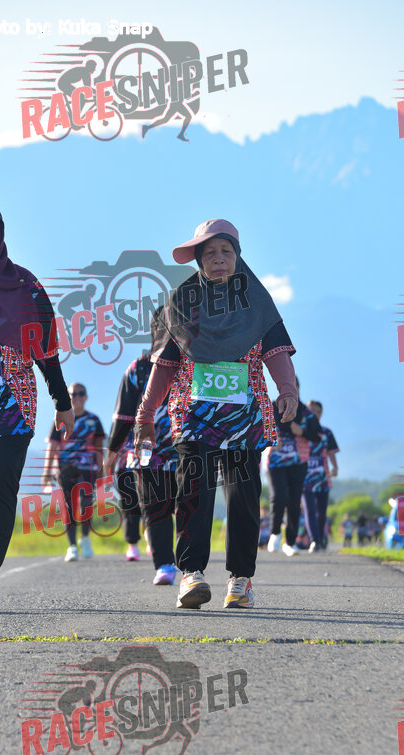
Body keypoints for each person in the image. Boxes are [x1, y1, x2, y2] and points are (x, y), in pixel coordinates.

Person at [134, 219, 299, 609]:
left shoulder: (257, 301)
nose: (219, 259)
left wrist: (288, 390)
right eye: (210, 253)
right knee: (194, 491)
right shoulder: (180, 304)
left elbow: (276, 352)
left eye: (226, 251)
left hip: (246, 416)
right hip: (195, 415)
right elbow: (164, 365)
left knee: (243, 496)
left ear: (237, 256)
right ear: (198, 260)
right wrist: (144, 416)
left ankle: (241, 580)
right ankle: (191, 574)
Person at [0, 199, 74, 613]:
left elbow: (47, 348)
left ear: (1, 234)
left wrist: (62, 401)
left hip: (10, 405)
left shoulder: (26, 286)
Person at [106, 308, 179, 585]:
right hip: (147, 452)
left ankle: (190, 567)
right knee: (156, 508)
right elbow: (124, 416)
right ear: (154, 331)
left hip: (188, 449)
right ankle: (165, 565)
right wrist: (112, 452)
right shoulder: (139, 368)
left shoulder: (195, 364)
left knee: (186, 507)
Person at [42, 382, 105, 562]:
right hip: (65, 468)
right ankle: (72, 547)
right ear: (68, 397)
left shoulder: (93, 420)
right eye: (73, 394)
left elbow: (99, 447)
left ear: (86, 397)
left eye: (81, 393)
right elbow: (52, 447)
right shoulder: (61, 419)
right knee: (69, 506)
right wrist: (46, 472)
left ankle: (85, 538)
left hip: (88, 468)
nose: (77, 397)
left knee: (86, 504)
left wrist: (102, 469)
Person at [265, 378, 322, 556]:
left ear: (297, 389)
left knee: (294, 502)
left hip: (299, 462)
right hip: (275, 462)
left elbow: (319, 437)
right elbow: (259, 427)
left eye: (293, 386)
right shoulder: (271, 407)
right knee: (279, 496)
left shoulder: (305, 412)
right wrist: (272, 437)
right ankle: (275, 533)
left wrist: (303, 432)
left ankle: (290, 542)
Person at [301, 400, 339, 552]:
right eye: (311, 410)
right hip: (305, 477)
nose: (314, 414)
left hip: (322, 477)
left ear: (321, 414)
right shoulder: (301, 431)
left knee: (321, 512)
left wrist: (335, 466)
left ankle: (322, 539)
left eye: (317, 411)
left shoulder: (326, 432)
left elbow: (331, 452)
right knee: (309, 509)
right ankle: (314, 540)